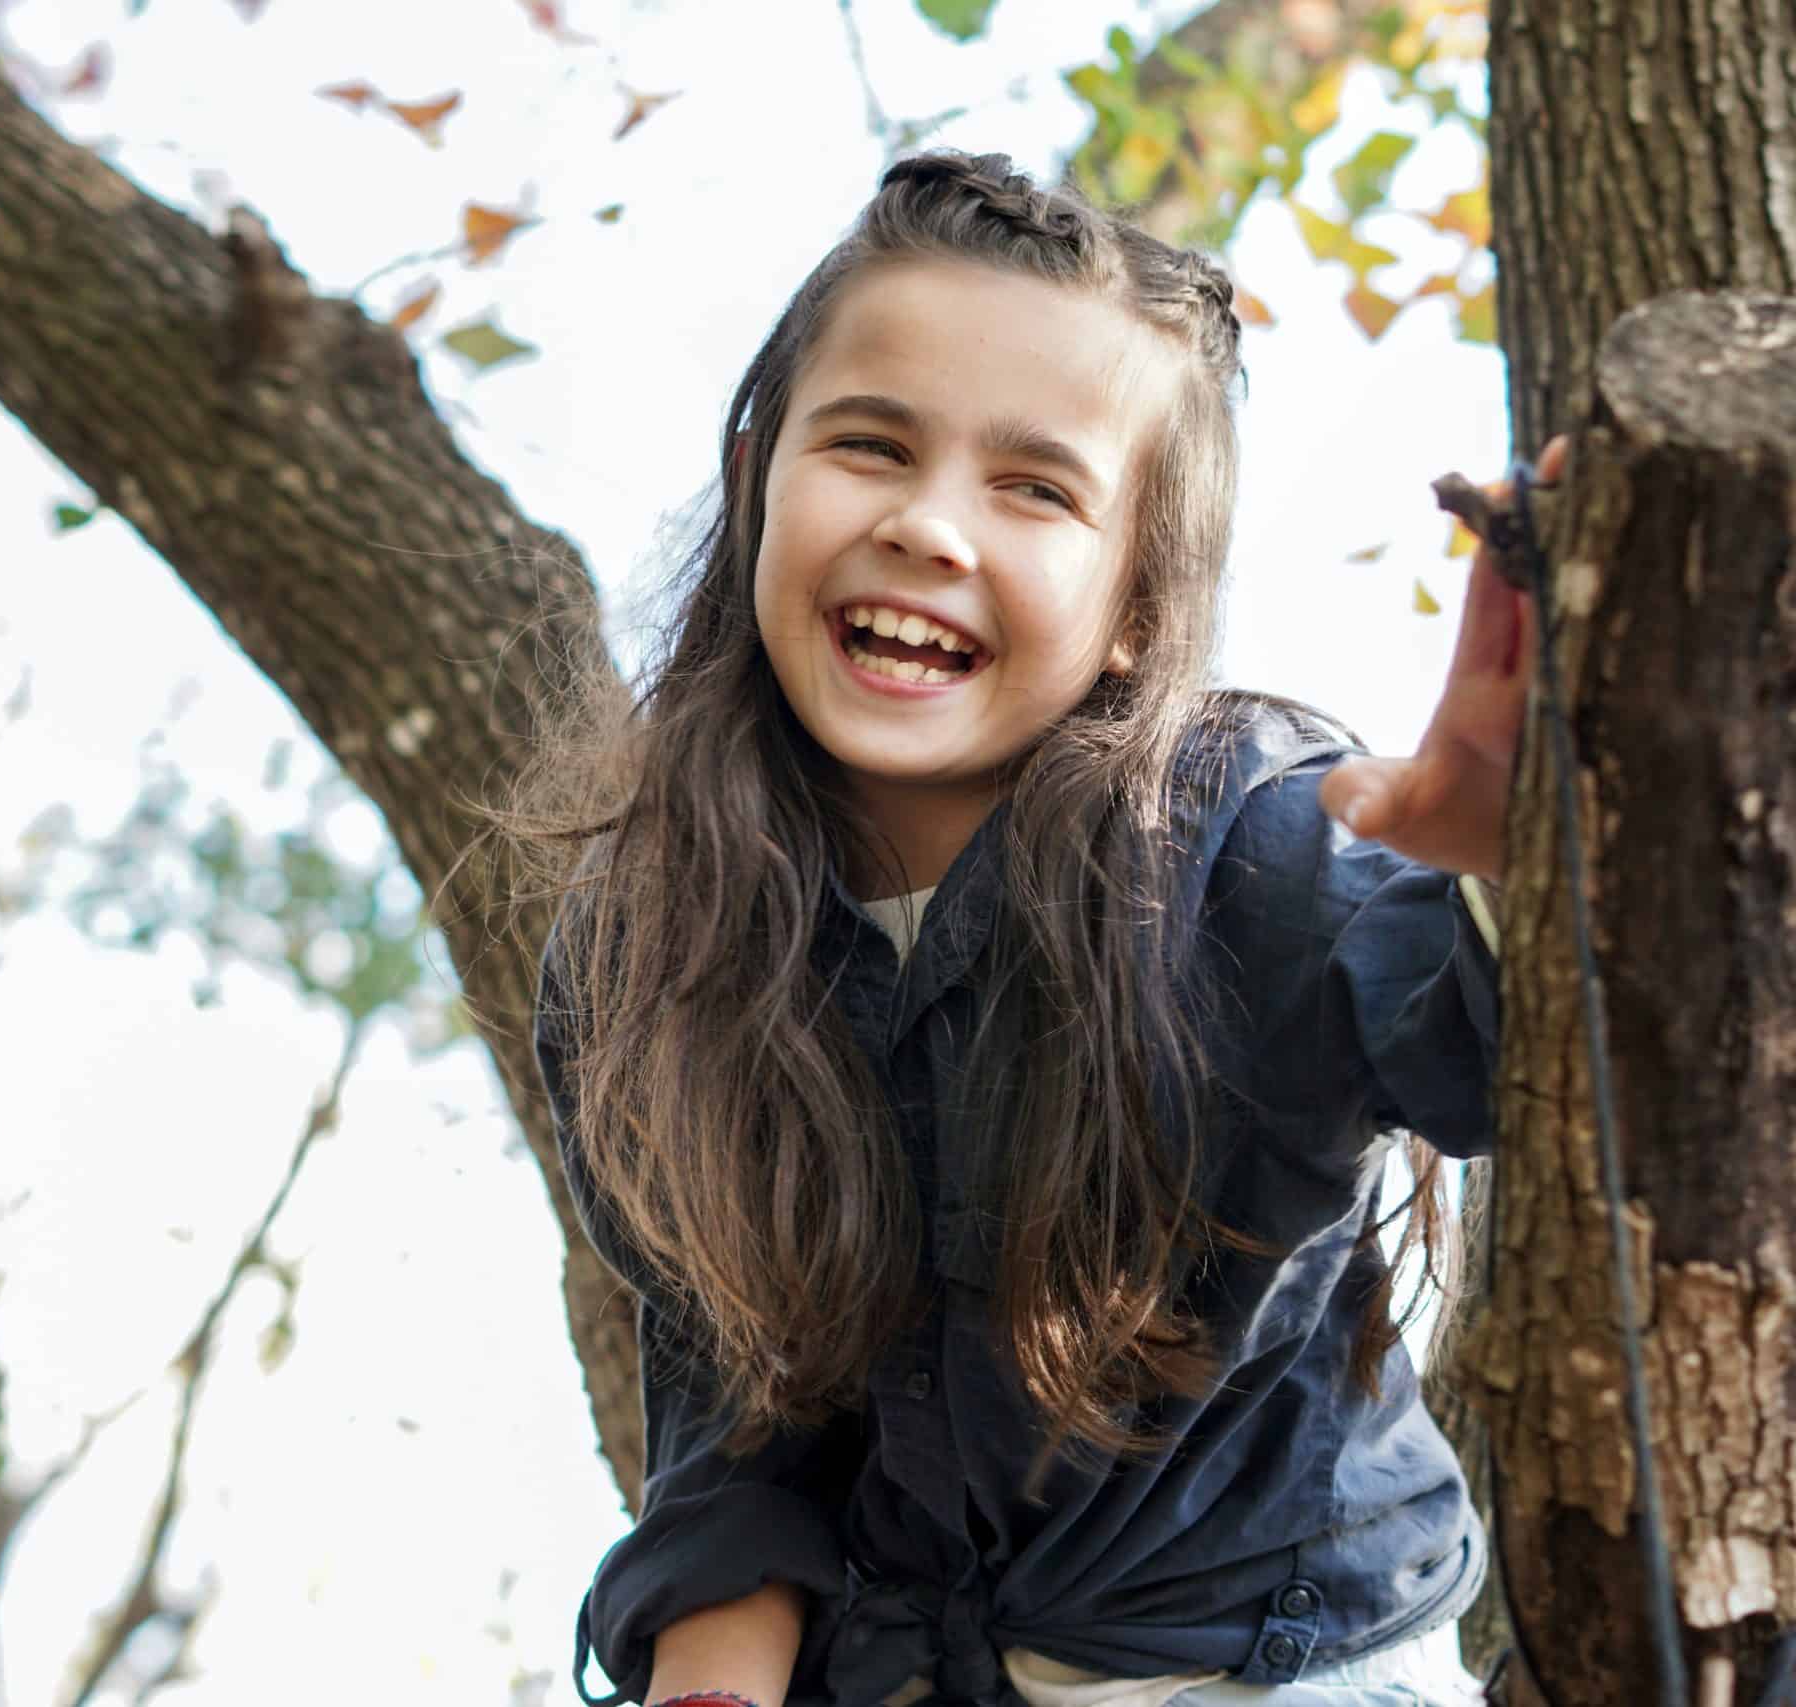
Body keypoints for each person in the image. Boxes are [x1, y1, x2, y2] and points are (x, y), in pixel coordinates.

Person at [508, 150, 1562, 1707]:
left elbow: (1508, 1059)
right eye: (871, 446)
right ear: (756, 479)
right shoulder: (643, 960)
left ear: (1140, 597)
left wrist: (1519, 875)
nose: (933, 528)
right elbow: (740, 1442)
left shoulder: (1254, 846)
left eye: (1035, 488)